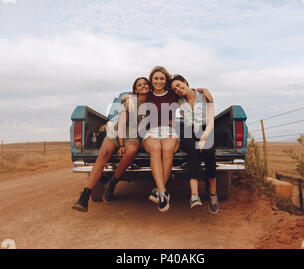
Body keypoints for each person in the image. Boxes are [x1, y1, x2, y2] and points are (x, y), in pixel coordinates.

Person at [72, 77, 150, 212]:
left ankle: (113, 181)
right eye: (139, 85)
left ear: (149, 87)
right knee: (104, 154)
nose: (143, 86)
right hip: (117, 132)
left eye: (145, 84)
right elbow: (120, 124)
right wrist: (120, 145)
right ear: (135, 89)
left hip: (133, 135)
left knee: (131, 150)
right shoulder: (130, 102)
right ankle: (85, 195)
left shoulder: (152, 103)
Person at [170, 74, 219, 214]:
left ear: (185, 82)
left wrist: (203, 138)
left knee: (209, 152)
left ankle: (213, 194)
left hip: (205, 127)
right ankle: (194, 195)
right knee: (193, 152)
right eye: (174, 89)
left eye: (179, 85)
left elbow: (211, 119)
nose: (178, 89)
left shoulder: (204, 95)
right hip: (187, 130)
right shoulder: (179, 100)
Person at [142, 66, 180, 212]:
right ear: (151, 80)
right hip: (151, 131)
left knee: (167, 148)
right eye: (156, 78)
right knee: (156, 148)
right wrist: (125, 97)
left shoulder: (173, 94)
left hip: (169, 131)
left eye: (162, 78)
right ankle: (163, 192)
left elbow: (189, 91)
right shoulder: (147, 95)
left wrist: (204, 90)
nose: (159, 81)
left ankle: (160, 192)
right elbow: (133, 95)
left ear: (166, 80)